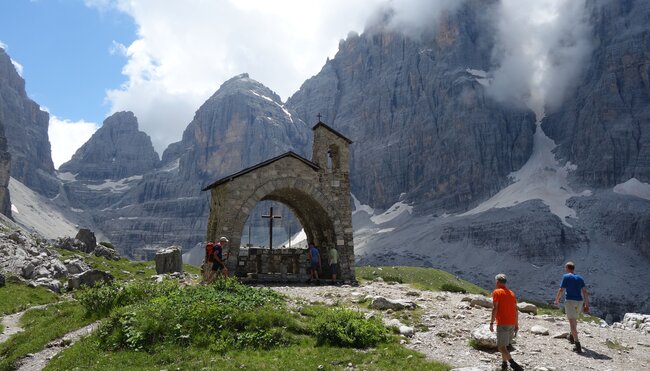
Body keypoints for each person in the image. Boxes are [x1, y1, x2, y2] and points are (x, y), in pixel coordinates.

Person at [490, 273, 524, 371]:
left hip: (502, 322)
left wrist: (491, 323)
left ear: (497, 282)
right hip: (512, 323)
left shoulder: (497, 292)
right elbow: (515, 310)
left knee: (501, 347)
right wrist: (516, 324)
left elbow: (495, 308)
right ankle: (504, 364)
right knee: (505, 346)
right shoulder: (511, 293)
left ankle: (513, 364)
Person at [554, 261, 589, 353]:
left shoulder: (566, 277)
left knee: (571, 322)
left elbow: (561, 289)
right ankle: (572, 337)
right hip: (579, 301)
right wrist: (586, 304)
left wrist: (557, 299)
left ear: (567, 268)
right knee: (574, 320)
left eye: (565, 268)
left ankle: (577, 345)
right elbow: (585, 291)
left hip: (570, 301)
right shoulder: (580, 278)